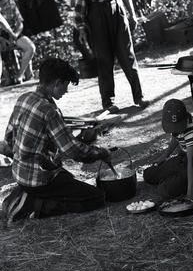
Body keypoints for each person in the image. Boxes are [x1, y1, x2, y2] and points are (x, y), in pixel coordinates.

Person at [2, 57, 111, 225]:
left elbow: (9, 139)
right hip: (39, 179)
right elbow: (72, 151)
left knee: (66, 178)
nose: (65, 91)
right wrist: (100, 153)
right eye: (65, 85)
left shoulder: (24, 98)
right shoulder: (49, 111)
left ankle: (25, 192)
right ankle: (32, 206)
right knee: (96, 197)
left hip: (20, 173)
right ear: (57, 83)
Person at [73, 0, 150, 112]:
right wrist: (81, 27)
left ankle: (139, 96)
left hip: (117, 9)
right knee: (104, 59)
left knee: (128, 55)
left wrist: (132, 15)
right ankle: (108, 102)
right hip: (96, 13)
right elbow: (79, 0)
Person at [143, 97, 193, 199]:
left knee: (163, 190)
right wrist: (165, 156)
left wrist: (190, 191)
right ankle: (173, 178)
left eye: (177, 127)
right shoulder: (179, 124)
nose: (175, 130)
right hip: (182, 159)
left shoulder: (191, 130)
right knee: (148, 174)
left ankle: (181, 180)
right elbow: (176, 137)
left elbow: (192, 162)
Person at [0, 0, 35, 84]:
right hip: (1, 37)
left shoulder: (10, 3)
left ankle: (19, 76)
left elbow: (20, 22)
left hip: (14, 34)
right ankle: (6, 78)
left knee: (30, 47)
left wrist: (15, 34)